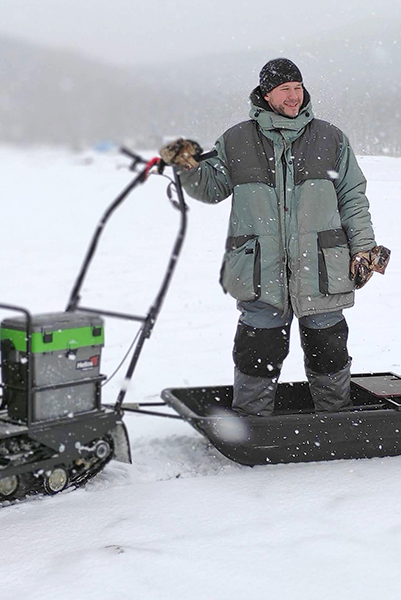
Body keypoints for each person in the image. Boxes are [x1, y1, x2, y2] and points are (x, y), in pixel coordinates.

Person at [159, 58, 386, 417]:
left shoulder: (330, 138)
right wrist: (187, 166)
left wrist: (363, 247)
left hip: (322, 269)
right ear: (267, 94)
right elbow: (211, 188)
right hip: (261, 271)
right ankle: (251, 426)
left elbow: (353, 197)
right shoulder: (236, 140)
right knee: (256, 353)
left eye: (298, 88)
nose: (294, 97)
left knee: (329, 352)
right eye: (285, 89)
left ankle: (335, 421)